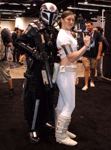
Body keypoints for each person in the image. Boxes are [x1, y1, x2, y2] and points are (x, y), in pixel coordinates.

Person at [14, 2, 59, 144]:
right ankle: (32, 127)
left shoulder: (53, 30)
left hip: (50, 69)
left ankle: (43, 122)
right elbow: (19, 42)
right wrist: (34, 53)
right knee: (35, 99)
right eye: (48, 14)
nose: (50, 18)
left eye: (53, 15)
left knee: (48, 98)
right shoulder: (34, 26)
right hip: (36, 70)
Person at [55, 10, 90, 146]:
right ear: (61, 19)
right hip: (65, 73)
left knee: (62, 104)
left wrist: (75, 74)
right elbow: (71, 57)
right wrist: (86, 46)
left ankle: (61, 131)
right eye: (68, 19)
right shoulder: (63, 36)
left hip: (69, 72)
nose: (71, 22)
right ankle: (61, 136)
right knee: (70, 105)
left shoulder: (68, 34)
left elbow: (72, 58)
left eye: (73, 20)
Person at [81, 21, 102, 91]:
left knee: (93, 68)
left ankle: (92, 80)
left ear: (92, 26)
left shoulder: (97, 33)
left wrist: (99, 54)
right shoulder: (85, 33)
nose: (88, 28)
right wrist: (81, 56)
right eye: (87, 26)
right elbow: (82, 44)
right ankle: (86, 84)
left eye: (89, 26)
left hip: (94, 54)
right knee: (86, 68)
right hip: (86, 54)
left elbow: (100, 44)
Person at [0, 27, 15, 97]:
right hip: (3, 56)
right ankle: (11, 89)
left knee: (6, 74)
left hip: (3, 57)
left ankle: (11, 89)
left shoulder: (4, 31)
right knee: (6, 73)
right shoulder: (4, 31)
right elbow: (10, 44)